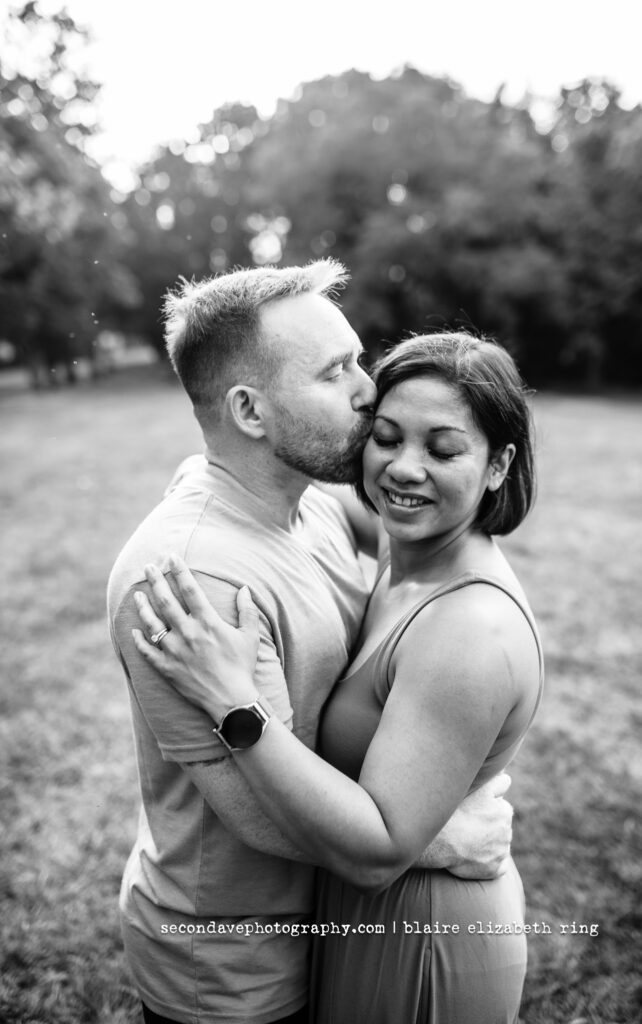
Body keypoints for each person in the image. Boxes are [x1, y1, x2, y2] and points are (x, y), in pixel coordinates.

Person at [107, 262, 515, 1024]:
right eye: (336, 373)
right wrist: (440, 834)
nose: (368, 390)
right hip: (229, 970)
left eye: (359, 359)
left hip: (325, 931)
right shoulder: (194, 585)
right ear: (250, 412)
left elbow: (433, 527)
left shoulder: (310, 506)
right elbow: (261, 819)